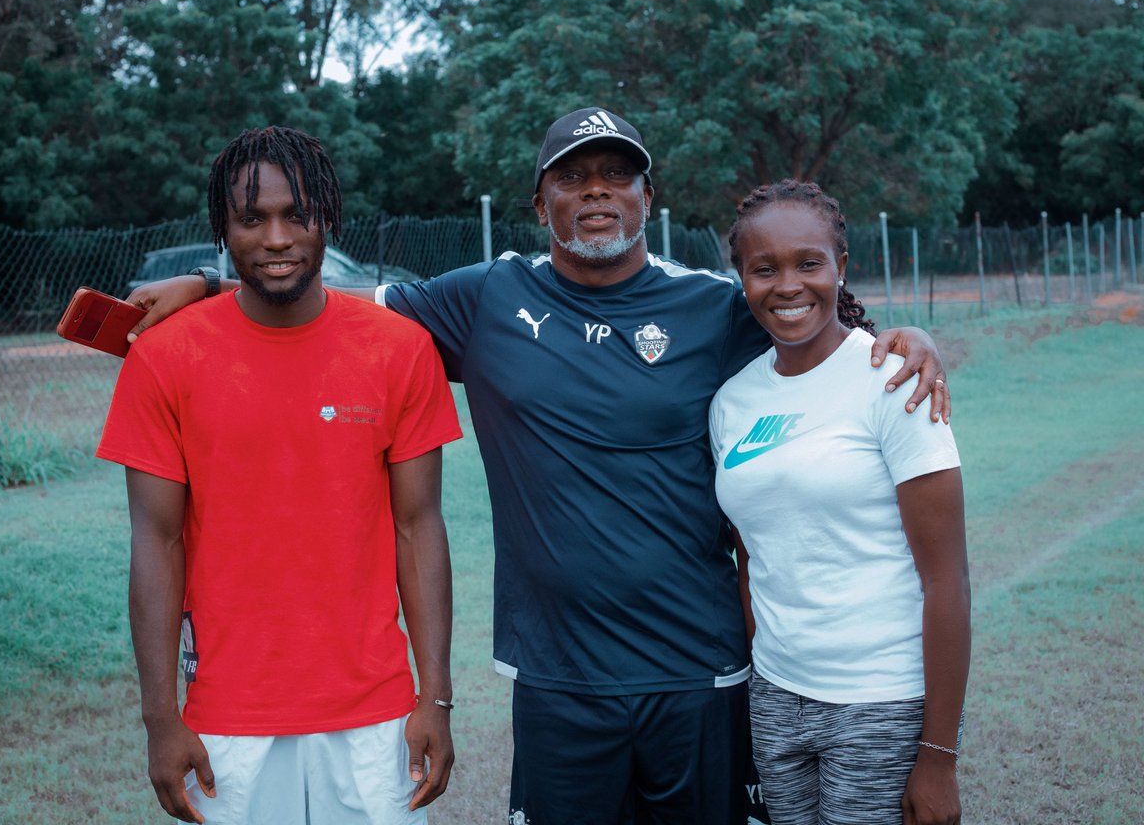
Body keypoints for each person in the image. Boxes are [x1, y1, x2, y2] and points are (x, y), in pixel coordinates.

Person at [126, 107, 951, 825]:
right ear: (538, 203)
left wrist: (907, 339)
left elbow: (810, 317)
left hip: (699, 669)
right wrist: (209, 283)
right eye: (572, 178)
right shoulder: (485, 298)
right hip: (557, 676)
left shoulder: (711, 306)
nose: (596, 192)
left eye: (617, 176)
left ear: (648, 197)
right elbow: (323, 300)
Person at [97, 126, 462, 825]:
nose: (276, 238)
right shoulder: (164, 357)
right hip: (226, 720)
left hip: (376, 718)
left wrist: (435, 698)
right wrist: (160, 718)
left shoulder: (399, 349)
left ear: (328, 219)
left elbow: (419, 528)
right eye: (252, 218)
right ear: (222, 228)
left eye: (297, 215)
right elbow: (156, 542)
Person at [711, 179, 969, 825]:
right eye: (764, 269)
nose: (788, 286)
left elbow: (947, 581)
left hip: (881, 700)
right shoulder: (731, 403)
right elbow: (752, 559)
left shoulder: (896, 382)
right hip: (776, 698)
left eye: (809, 263)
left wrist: (938, 756)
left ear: (841, 266)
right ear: (741, 279)